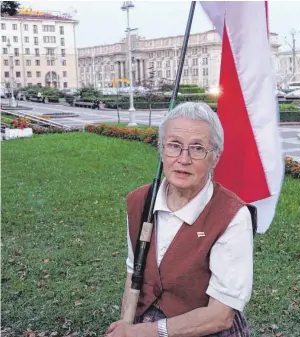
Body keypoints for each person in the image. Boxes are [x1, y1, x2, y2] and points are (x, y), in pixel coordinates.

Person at [106, 102, 255, 337]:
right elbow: (132, 270)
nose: (183, 159)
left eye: (197, 149)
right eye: (174, 145)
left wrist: (144, 333)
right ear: (162, 150)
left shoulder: (232, 216)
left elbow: (220, 315)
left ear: (215, 157)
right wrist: (127, 324)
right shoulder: (139, 201)